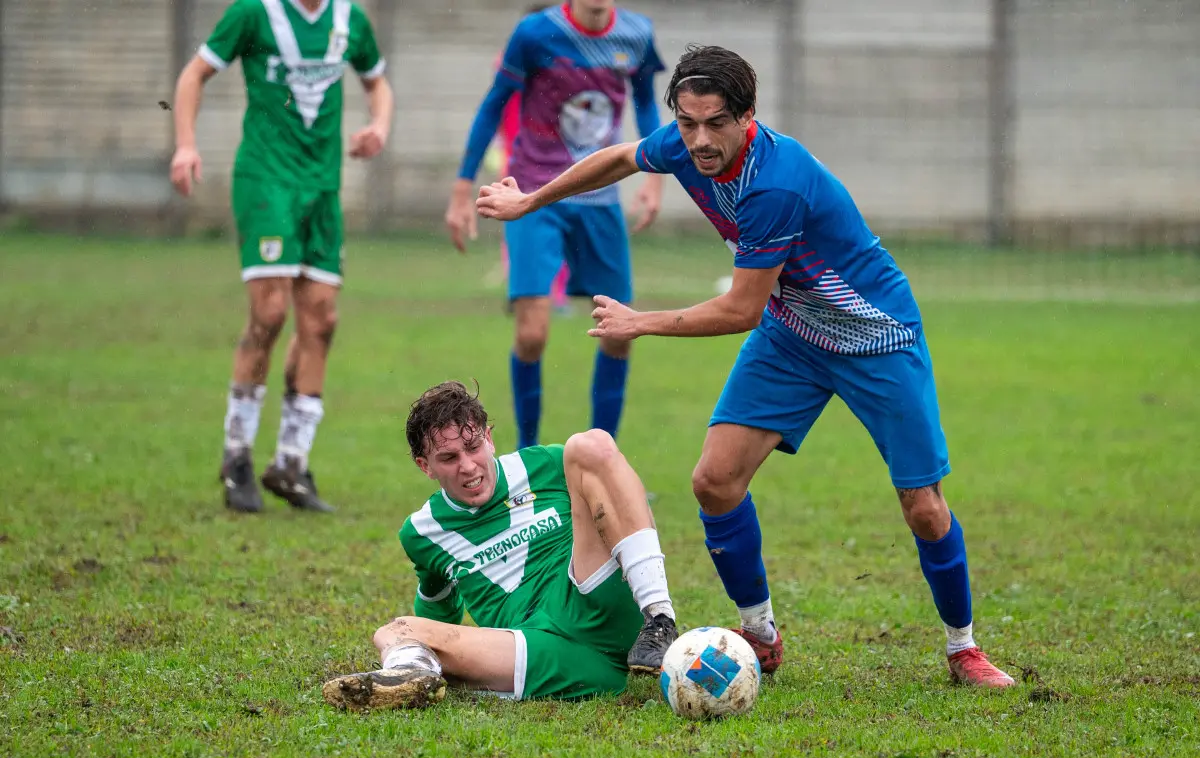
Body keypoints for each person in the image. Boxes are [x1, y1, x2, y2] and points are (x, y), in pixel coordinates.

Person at [476, 45, 1016, 688]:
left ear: (748, 116)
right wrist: (531, 200)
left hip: (876, 337)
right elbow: (621, 157)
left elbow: (740, 308)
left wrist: (638, 321)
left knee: (923, 507)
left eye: (714, 124)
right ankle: (758, 634)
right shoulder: (685, 142)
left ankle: (964, 650)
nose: (698, 141)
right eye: (686, 122)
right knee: (715, 481)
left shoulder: (775, 183)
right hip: (794, 332)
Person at [322, 381, 680, 711]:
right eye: (448, 458)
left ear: (490, 439)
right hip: (538, 649)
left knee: (591, 445)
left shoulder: (548, 464)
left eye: (474, 447)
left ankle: (660, 620)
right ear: (424, 466)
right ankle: (413, 677)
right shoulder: (420, 533)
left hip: (597, 604)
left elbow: (629, 509)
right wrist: (425, 641)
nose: (467, 466)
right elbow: (437, 612)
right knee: (393, 631)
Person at [170, 0, 394, 513]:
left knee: (322, 319)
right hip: (266, 180)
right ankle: (237, 458)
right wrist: (185, 145)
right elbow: (193, 75)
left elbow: (377, 81)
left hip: (322, 188)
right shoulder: (253, 13)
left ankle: (292, 463)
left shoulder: (349, 19)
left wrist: (378, 125)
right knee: (269, 314)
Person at [444, 0, 666, 450]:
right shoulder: (535, 34)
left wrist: (655, 180)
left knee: (620, 332)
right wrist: (462, 187)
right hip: (533, 197)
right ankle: (528, 458)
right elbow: (493, 106)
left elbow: (645, 104)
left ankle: (605, 457)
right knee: (531, 333)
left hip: (600, 197)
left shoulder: (637, 34)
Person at [483, 3, 571, 315]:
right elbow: (497, 106)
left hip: (555, 158)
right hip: (520, 156)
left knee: (554, 223)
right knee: (519, 222)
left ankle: (550, 293)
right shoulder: (513, 62)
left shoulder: (563, 65)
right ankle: (526, 290)